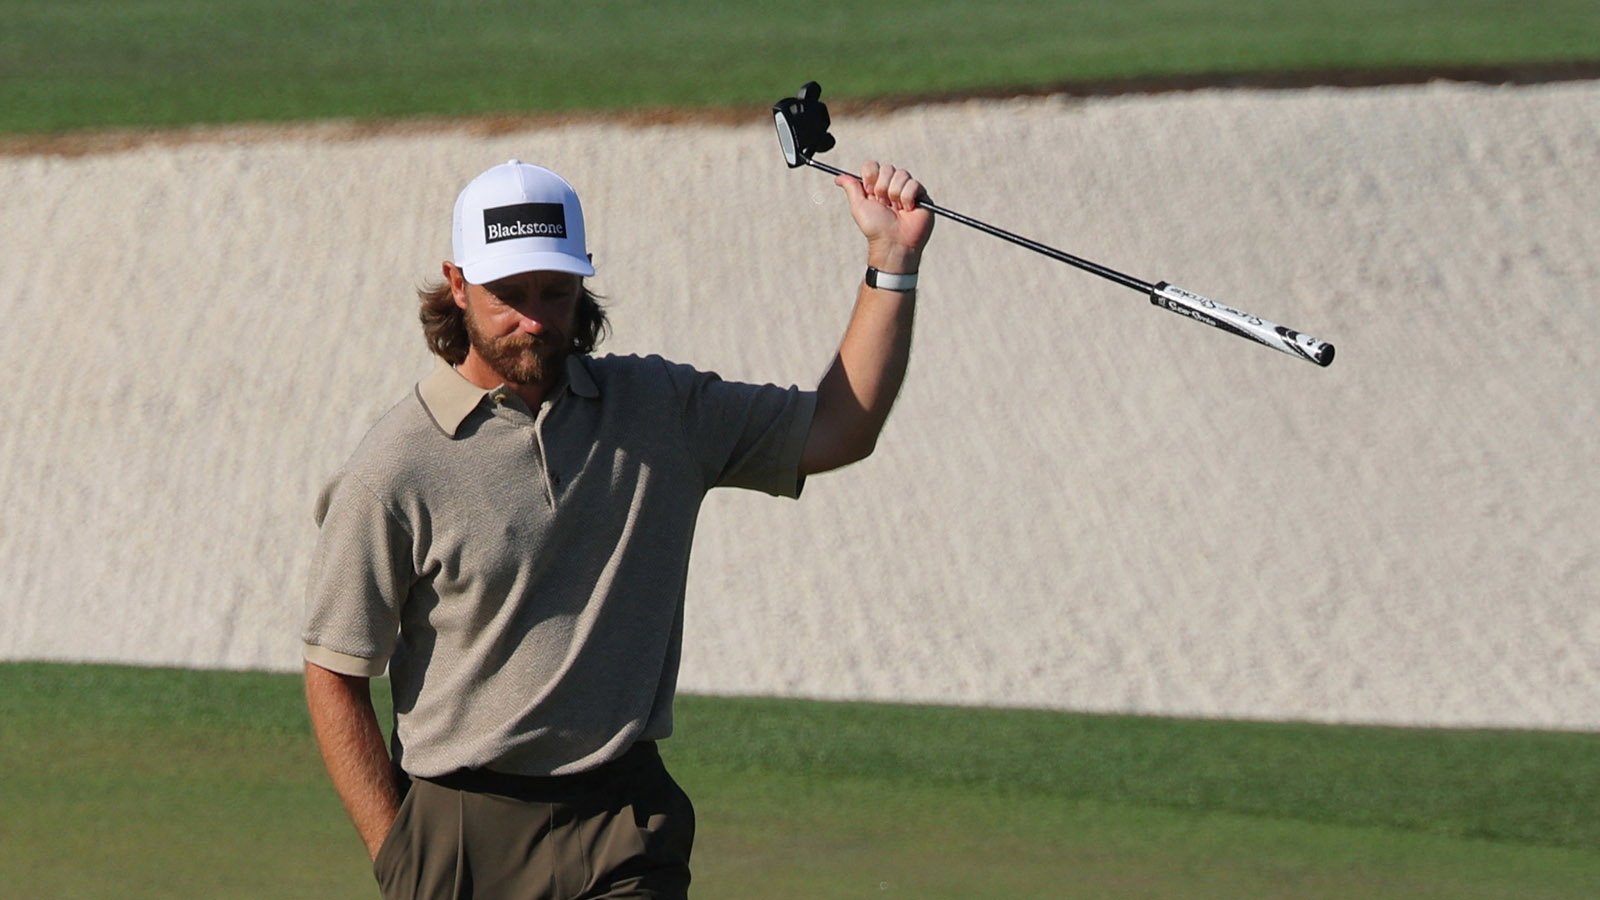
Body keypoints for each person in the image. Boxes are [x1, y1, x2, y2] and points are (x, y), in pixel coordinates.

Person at [302, 155, 933, 899]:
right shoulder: (392, 468)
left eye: (556, 291)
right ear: (459, 284)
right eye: (509, 294)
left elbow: (837, 428)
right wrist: (399, 855)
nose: (534, 318)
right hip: (462, 830)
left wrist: (892, 261)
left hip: (623, 822)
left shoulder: (659, 408)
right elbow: (335, 672)